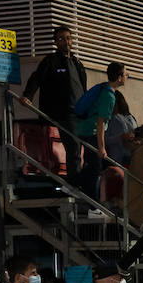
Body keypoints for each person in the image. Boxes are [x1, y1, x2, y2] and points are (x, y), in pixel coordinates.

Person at [23, 25, 88, 183]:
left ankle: (84, 182)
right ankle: (74, 183)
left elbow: (83, 88)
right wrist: (27, 95)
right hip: (64, 113)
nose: (65, 41)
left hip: (80, 113)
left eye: (67, 38)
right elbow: (36, 78)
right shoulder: (51, 61)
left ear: (72, 40)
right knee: (73, 147)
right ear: (56, 43)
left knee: (85, 148)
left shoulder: (77, 63)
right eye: (61, 39)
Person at [75, 62, 128, 203]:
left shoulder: (104, 89)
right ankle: (91, 204)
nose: (127, 76)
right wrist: (102, 147)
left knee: (92, 165)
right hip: (90, 132)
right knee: (95, 167)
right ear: (119, 78)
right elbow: (101, 123)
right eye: (125, 74)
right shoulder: (109, 96)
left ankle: (76, 188)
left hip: (85, 129)